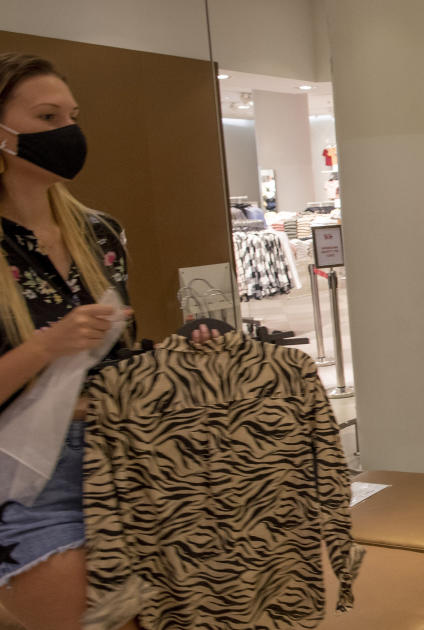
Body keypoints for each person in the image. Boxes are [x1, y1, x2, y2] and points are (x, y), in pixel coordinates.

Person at [0, 53, 216, 630]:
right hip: (26, 476)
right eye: (47, 117)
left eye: (72, 115)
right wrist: (47, 346)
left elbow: (119, 357)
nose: (68, 133)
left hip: (129, 455)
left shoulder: (99, 232)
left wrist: (178, 358)